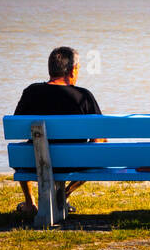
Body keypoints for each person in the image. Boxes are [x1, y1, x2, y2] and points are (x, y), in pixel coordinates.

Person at [13, 46, 104, 218]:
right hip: (75, 162)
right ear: (72, 70)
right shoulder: (84, 96)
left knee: (24, 147)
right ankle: (64, 194)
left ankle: (30, 203)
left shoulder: (31, 92)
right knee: (99, 144)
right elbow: (100, 136)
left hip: (34, 162)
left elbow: (19, 129)